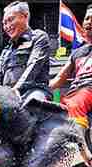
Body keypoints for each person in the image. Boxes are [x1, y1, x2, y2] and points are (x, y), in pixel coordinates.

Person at [0, 1, 51, 103]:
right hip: (7, 95)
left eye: (11, 20)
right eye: (4, 23)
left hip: (34, 91)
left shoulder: (39, 37)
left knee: (33, 103)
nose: (7, 26)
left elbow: (33, 66)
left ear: (25, 16)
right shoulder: (6, 50)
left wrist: (15, 90)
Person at [50, 6, 92, 139]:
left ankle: (84, 150)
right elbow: (60, 77)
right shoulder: (77, 52)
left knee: (76, 102)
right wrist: (42, 89)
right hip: (75, 92)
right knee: (48, 107)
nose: (88, 22)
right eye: (87, 18)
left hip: (88, 91)